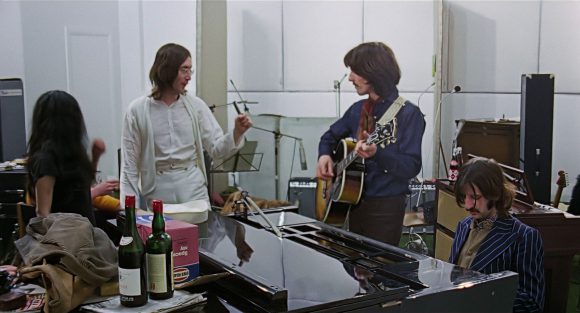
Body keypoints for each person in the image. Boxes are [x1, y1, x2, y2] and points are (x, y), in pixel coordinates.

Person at [120, 43, 252, 214]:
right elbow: (129, 166)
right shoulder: (137, 110)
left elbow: (216, 149)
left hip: (194, 191)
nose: (189, 76)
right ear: (167, 70)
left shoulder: (195, 106)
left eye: (190, 70)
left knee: (201, 238)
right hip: (157, 192)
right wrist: (130, 212)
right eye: (184, 70)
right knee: (164, 238)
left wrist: (236, 133)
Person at [316, 42, 426, 245]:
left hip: (385, 208)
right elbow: (328, 137)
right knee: (352, 267)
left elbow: (411, 166)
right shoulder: (357, 110)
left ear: (373, 73)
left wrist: (377, 153)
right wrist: (324, 156)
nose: (349, 78)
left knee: (379, 270)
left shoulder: (409, 114)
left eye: (355, 72)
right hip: (352, 204)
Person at [449, 157, 545, 312]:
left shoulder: (524, 237)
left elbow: (531, 303)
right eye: (464, 197)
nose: (467, 205)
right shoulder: (463, 226)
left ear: (495, 193)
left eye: (475, 197)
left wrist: (478, 298)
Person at [26, 90, 96, 225]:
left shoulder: (73, 154)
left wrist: (95, 157)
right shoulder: (46, 159)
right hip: (64, 239)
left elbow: (82, 195)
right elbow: (42, 213)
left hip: (82, 235)